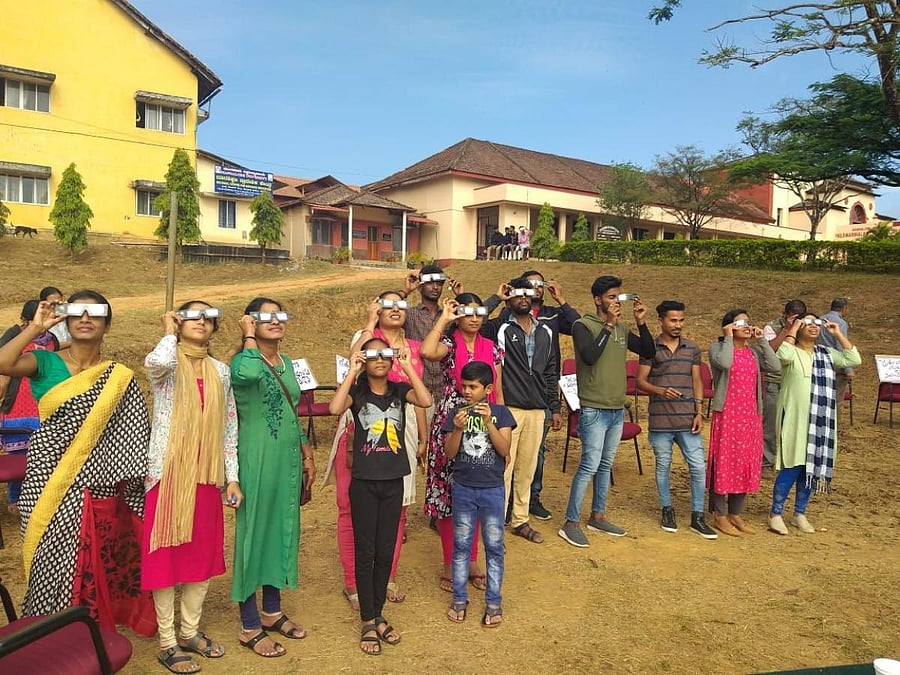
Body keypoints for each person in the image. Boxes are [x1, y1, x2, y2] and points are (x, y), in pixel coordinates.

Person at [0, 292, 153, 634]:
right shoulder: (44, 361)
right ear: (67, 321)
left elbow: (131, 433)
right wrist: (34, 328)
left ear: (106, 324)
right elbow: (3, 363)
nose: (85, 318)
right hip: (46, 476)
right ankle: (46, 628)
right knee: (46, 554)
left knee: (90, 556)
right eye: (77, 312)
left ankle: (86, 629)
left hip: (96, 481)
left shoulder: (118, 377)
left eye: (94, 312)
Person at [142, 303, 242, 673]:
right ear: (179, 322)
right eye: (192, 315)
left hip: (206, 475)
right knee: (165, 559)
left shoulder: (221, 371)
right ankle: (168, 641)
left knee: (200, 558)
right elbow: (156, 363)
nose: (201, 321)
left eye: (208, 317)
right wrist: (168, 332)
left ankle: (189, 631)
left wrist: (232, 476)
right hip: (167, 475)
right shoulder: (167, 365)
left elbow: (229, 426)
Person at [329, 337, 432, 655]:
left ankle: (378, 614)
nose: (379, 359)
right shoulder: (358, 393)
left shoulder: (399, 391)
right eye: (372, 355)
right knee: (366, 552)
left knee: (386, 552)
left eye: (385, 354)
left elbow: (425, 400)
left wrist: (407, 366)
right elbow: (334, 408)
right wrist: (352, 370)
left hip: (393, 481)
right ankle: (367, 620)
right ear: (364, 359)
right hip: (363, 482)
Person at [325, 290, 426, 608]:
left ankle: (387, 577)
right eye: (387, 305)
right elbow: (342, 390)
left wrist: (423, 437)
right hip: (359, 434)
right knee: (350, 511)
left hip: (400, 434)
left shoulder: (412, 348)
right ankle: (354, 582)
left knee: (397, 511)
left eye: (400, 304)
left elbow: (421, 400)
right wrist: (369, 323)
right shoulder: (365, 338)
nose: (395, 309)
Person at [232, 297, 315, 658]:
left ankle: (271, 609)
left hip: (287, 460)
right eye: (264, 317)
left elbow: (292, 409)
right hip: (257, 459)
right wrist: (249, 337)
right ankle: (250, 624)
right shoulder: (243, 361)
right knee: (254, 533)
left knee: (282, 527)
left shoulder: (288, 363)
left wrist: (306, 451)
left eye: (279, 315)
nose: (275, 320)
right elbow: (250, 376)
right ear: (250, 321)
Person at [558, 276, 655, 548]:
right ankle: (570, 523)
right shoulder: (583, 325)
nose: (616, 302)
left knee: (605, 464)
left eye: (618, 297)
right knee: (589, 465)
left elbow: (648, 351)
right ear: (597, 299)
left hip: (616, 409)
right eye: (611, 297)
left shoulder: (622, 328)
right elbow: (589, 357)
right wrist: (609, 324)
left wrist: (641, 322)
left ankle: (597, 516)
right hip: (593, 409)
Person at [420, 294, 503, 592]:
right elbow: (427, 351)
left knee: (477, 485)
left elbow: (498, 390)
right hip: (452, 419)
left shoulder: (492, 347)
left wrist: (500, 423)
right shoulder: (450, 343)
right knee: (448, 491)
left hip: (484, 419)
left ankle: (471, 559)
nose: (475, 318)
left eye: (480, 312)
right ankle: (449, 560)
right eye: (468, 312)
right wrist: (444, 318)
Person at [483, 270, 580, 521]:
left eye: (528, 293)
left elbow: (550, 372)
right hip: (510, 408)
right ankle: (497, 519)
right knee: (504, 467)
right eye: (517, 294)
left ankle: (520, 519)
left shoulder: (545, 331)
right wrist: (496, 298)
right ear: (509, 299)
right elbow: (474, 321)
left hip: (537, 409)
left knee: (527, 469)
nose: (524, 298)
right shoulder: (500, 328)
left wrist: (554, 408)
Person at [768, 313, 861, 535]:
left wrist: (837, 333)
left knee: (812, 465)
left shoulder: (826, 354)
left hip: (820, 420)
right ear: (799, 326)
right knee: (793, 464)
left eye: (816, 323)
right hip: (795, 418)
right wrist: (792, 329)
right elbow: (783, 355)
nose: (813, 326)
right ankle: (775, 513)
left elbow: (853, 360)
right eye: (807, 323)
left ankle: (799, 513)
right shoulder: (792, 351)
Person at [636, 301, 717, 539]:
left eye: (681, 320)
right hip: (661, 420)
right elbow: (640, 381)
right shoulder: (650, 347)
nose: (678, 325)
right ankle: (667, 509)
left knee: (698, 466)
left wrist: (699, 412)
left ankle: (697, 516)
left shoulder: (692, 348)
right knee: (663, 465)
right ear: (661, 320)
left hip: (688, 418)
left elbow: (697, 381)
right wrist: (660, 390)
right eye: (673, 320)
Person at [443, 361, 514, 628]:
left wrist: (488, 423)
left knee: (494, 547)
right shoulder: (456, 413)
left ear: (488, 388)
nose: (467, 391)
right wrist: (458, 429)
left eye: (473, 386)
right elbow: (450, 453)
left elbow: (504, 449)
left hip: (492, 489)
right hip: (463, 487)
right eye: (464, 386)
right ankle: (459, 598)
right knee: (461, 545)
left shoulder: (501, 413)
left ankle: (493, 602)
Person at [708, 310, 781, 536]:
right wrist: (728, 337)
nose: (747, 326)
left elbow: (775, 366)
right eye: (740, 322)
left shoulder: (753, 352)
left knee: (744, 462)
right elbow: (725, 363)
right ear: (728, 326)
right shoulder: (718, 348)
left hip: (750, 416)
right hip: (727, 415)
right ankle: (720, 515)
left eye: (748, 322)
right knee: (724, 461)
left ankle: (735, 513)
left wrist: (762, 341)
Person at [0, 300, 58, 513]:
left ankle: (39, 497)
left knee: (43, 455)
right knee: (19, 454)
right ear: (25, 320)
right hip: (18, 403)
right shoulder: (14, 336)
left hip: (42, 404)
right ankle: (15, 499)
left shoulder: (52, 340)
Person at [762, 300, 807, 469]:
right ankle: (767, 460)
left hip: (795, 381)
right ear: (785, 314)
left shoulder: (805, 328)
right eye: (792, 317)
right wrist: (787, 330)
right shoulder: (771, 327)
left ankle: (789, 460)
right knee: (771, 424)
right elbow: (770, 351)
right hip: (774, 381)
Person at [818, 298, 854, 402]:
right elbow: (841, 346)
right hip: (835, 364)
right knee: (836, 399)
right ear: (844, 309)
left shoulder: (820, 320)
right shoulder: (840, 323)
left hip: (819, 361)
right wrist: (848, 369)